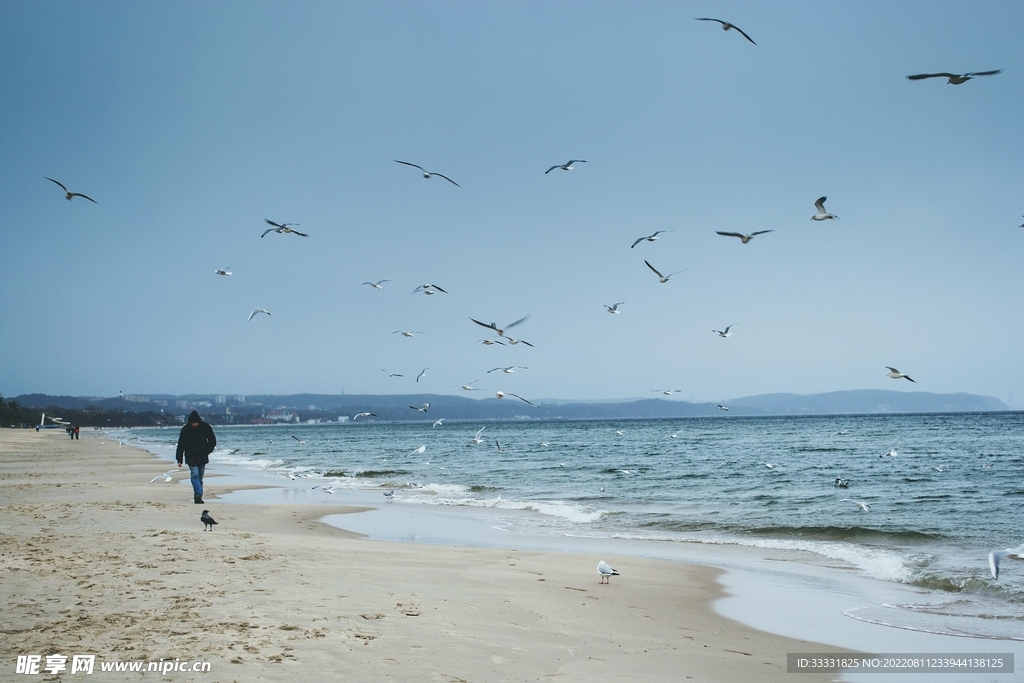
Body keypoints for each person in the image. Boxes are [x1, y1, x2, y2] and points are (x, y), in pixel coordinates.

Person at [175, 410, 217, 504]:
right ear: (190, 422)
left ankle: (198, 496)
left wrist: (207, 451)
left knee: (200, 478)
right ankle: (198, 494)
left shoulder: (205, 427)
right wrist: (179, 459)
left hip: (202, 455)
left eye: (196, 422)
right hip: (190, 456)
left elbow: (212, 441)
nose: (194, 424)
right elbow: (181, 445)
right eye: (193, 423)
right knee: (195, 475)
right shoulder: (185, 429)